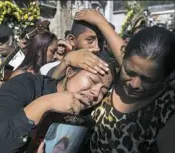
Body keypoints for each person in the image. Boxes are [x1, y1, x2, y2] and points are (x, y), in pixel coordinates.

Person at [75, 9, 175, 153]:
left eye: (148, 80)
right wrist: (100, 21)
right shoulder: (108, 78)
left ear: (167, 77)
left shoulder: (168, 109)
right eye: (129, 72)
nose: (134, 84)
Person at [0, 53, 114, 153]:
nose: (96, 93)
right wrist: (46, 103)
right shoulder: (26, 85)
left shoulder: (87, 120)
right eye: (93, 81)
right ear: (70, 72)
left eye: (103, 90)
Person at [0, 31, 58, 96]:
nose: (55, 56)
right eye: (52, 51)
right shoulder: (22, 75)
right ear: (39, 50)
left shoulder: (48, 72)